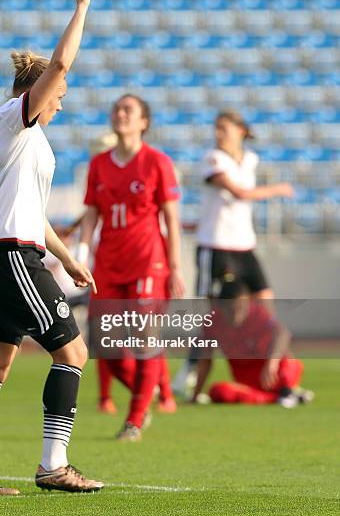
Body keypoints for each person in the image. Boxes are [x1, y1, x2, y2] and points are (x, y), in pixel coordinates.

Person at [0, 0, 103, 496]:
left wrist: (67, 257)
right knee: (75, 354)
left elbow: (29, 212)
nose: (61, 100)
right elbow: (61, 62)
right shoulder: (19, 121)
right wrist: (81, 7)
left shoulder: (8, 135)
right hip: (12, 257)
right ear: (36, 90)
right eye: (59, 93)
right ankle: (53, 465)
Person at [79, 94, 185, 442]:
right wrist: (81, 254)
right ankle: (149, 389)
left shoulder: (157, 162)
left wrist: (176, 268)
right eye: (116, 109)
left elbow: (171, 218)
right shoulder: (99, 165)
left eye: (128, 110)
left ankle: (135, 418)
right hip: (107, 263)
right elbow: (92, 213)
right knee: (102, 342)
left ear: (144, 121)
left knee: (144, 339)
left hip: (147, 263)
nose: (120, 114)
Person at [172, 110, 294, 396]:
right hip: (216, 247)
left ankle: (278, 373)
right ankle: (189, 372)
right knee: (213, 318)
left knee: (267, 310)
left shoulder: (250, 159)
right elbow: (238, 193)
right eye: (216, 128)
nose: (218, 134)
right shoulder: (212, 159)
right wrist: (277, 189)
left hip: (244, 246)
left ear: (240, 130)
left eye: (223, 128)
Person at [190, 280, 313, 407]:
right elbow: (205, 361)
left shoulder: (258, 313)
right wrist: (195, 396)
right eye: (230, 310)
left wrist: (272, 363)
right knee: (218, 391)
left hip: (271, 372)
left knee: (289, 364)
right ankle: (281, 396)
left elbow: (282, 334)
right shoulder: (212, 322)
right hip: (245, 378)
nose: (236, 316)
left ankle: (285, 391)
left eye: (240, 309)